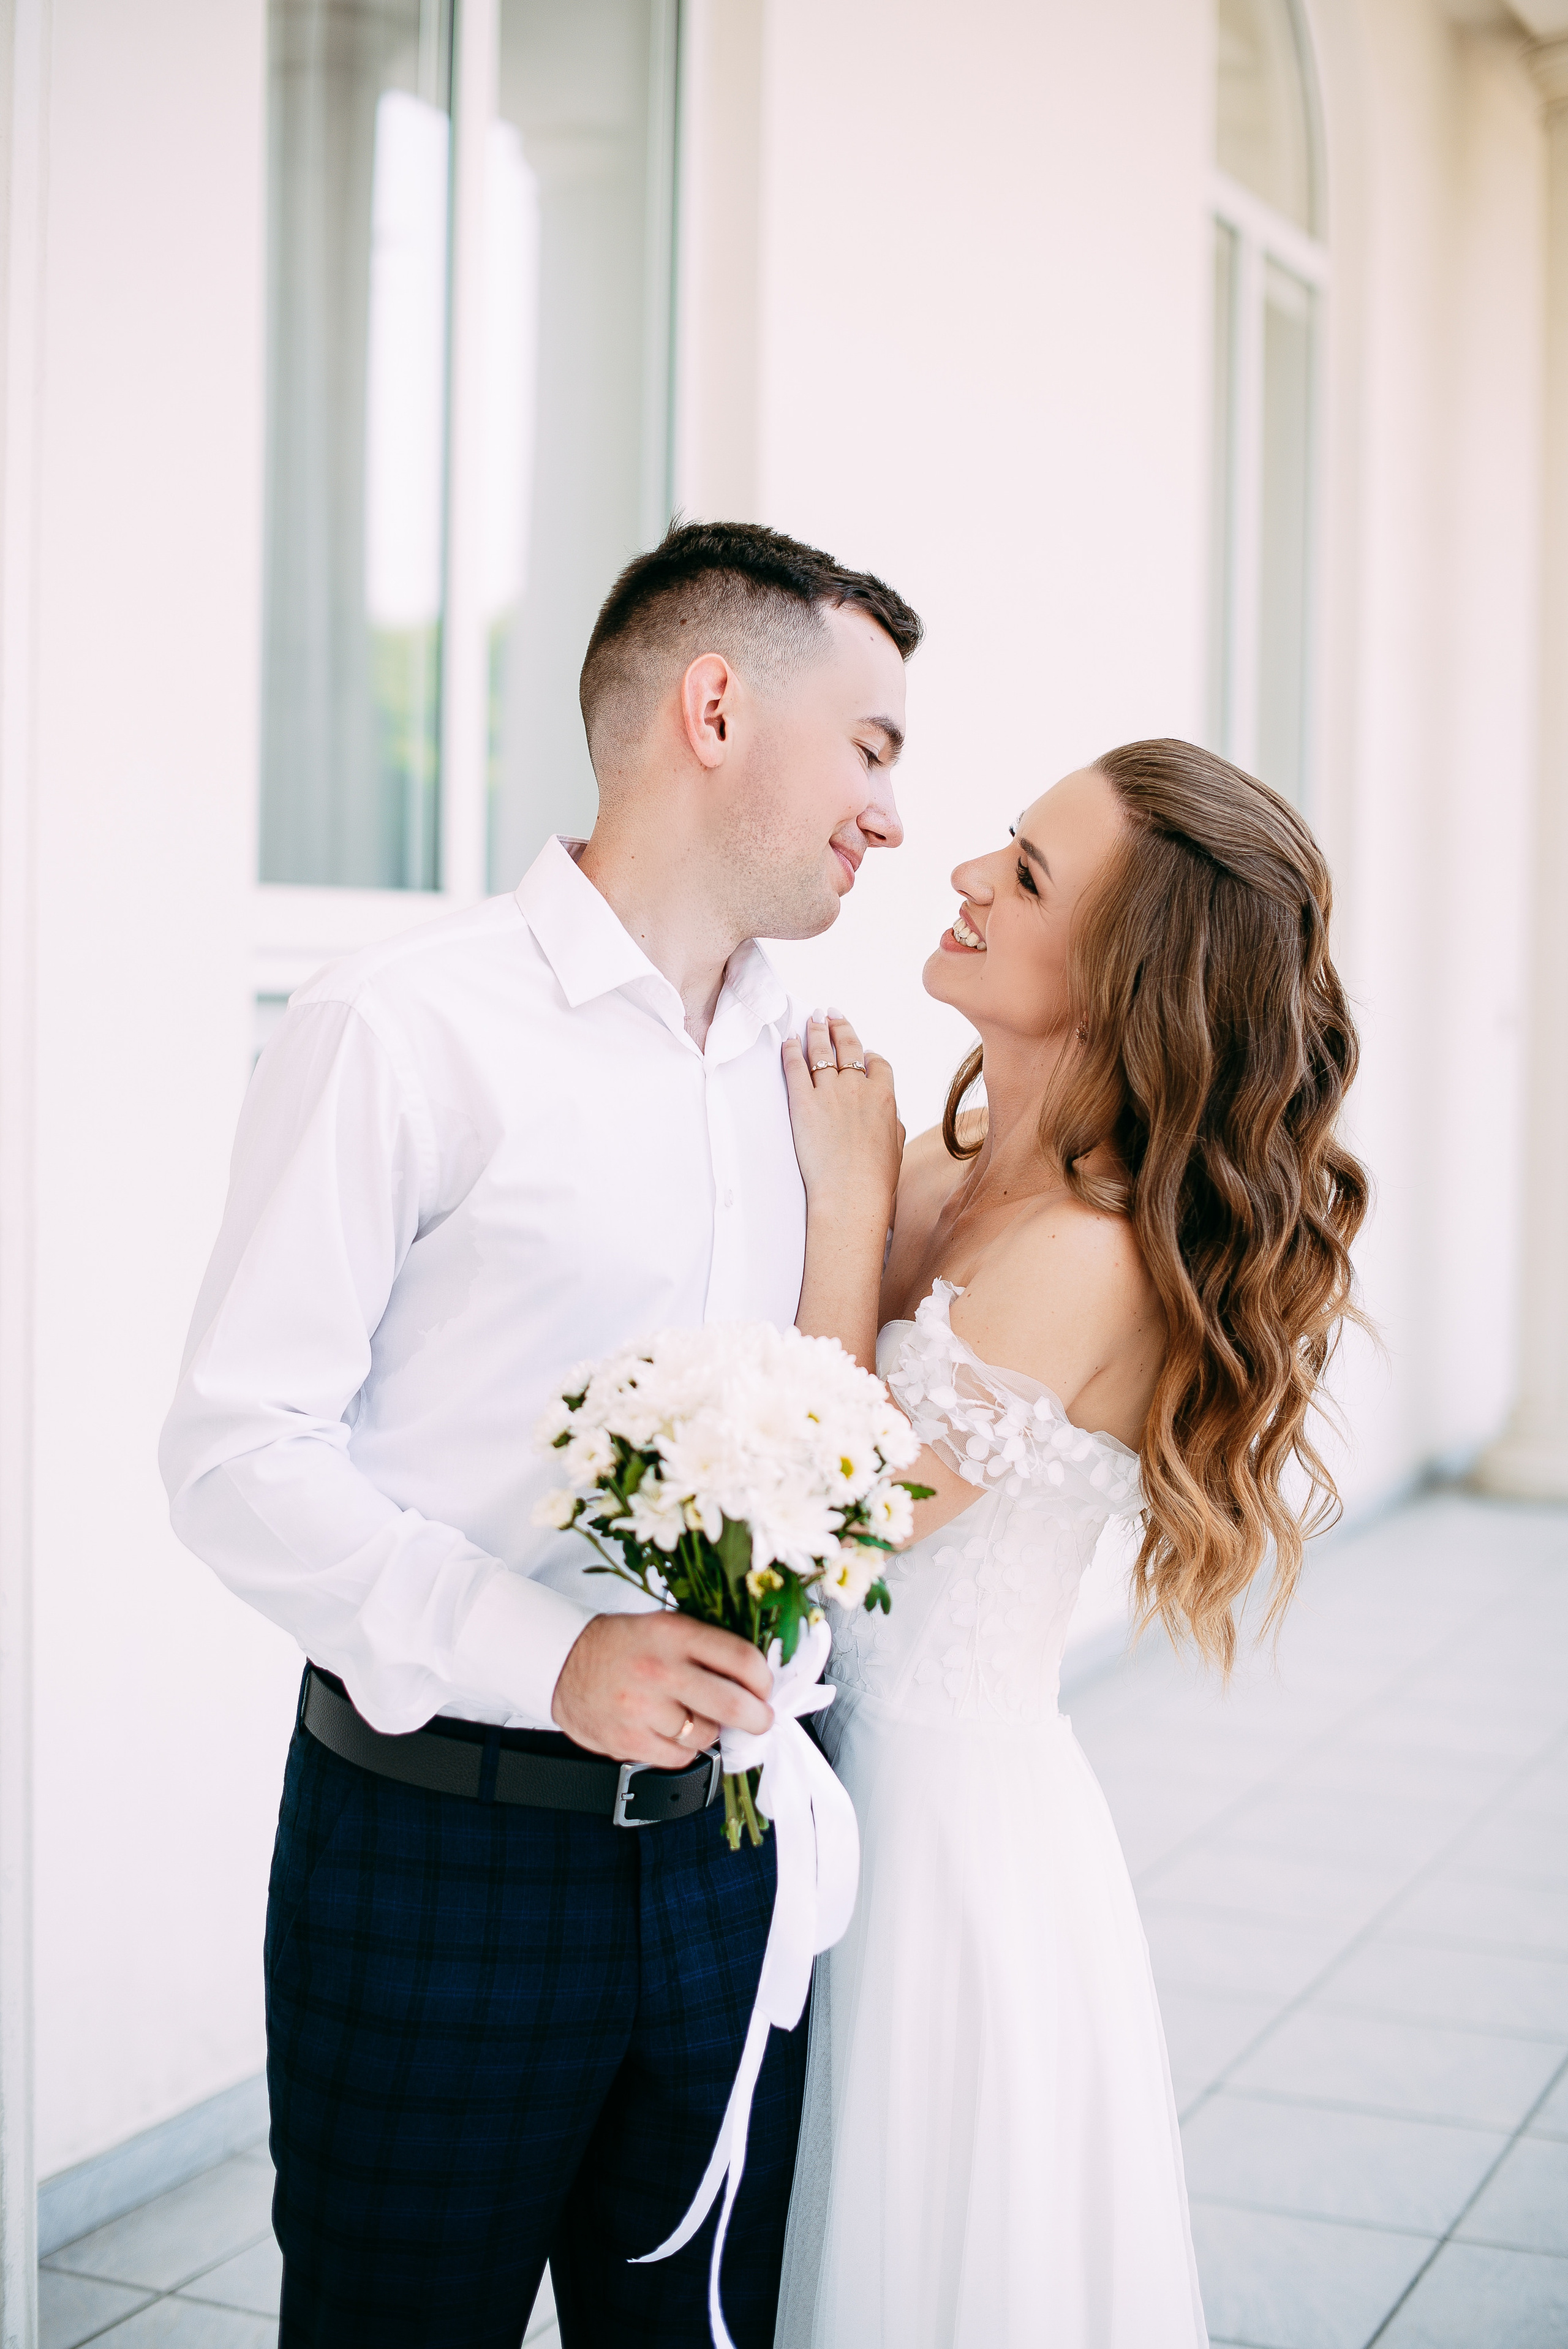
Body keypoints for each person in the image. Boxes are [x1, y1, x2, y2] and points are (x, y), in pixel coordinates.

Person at [158, 520, 921, 2349]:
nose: (892, 811)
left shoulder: (824, 1068)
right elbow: (234, 1450)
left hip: (729, 1865)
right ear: (716, 705)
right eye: (875, 745)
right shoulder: (404, 1029)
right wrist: (548, 1652)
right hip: (444, 1854)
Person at [774, 739, 1369, 2348]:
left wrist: (844, 1210)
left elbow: (825, 1521)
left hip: (939, 1851)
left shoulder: (1094, 1257)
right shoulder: (952, 1161)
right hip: (806, 1790)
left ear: (1125, 986)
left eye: (1026, 874)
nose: (967, 874)